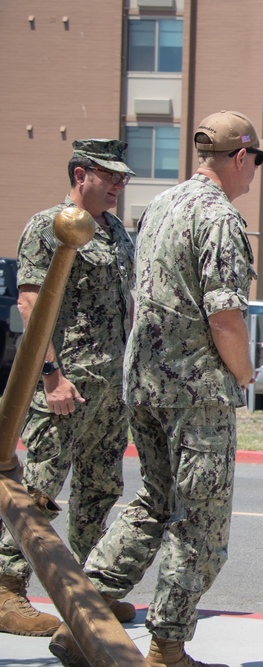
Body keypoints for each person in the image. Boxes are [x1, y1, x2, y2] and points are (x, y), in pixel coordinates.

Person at [48, 111, 263, 667]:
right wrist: (245, 373)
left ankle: (84, 615)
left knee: (153, 502)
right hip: (196, 392)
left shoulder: (162, 206)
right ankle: (168, 647)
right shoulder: (219, 217)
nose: (255, 173)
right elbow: (224, 314)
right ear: (241, 158)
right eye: (257, 160)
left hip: (145, 384)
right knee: (199, 523)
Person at [0, 140, 137, 637]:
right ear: (81, 174)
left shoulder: (117, 231)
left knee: (100, 490)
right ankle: (5, 587)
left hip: (109, 388)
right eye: (110, 175)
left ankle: (85, 591)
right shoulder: (49, 225)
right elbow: (32, 304)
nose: (120, 184)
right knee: (38, 486)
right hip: (68, 383)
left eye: (124, 176)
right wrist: (51, 376)